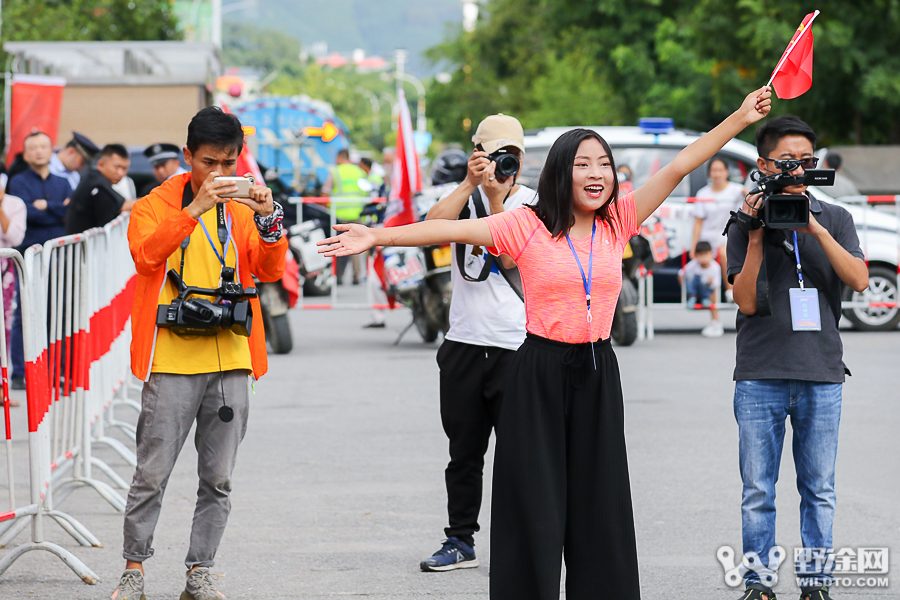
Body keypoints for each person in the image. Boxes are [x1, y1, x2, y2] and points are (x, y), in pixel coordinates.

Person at [320, 87, 772, 600]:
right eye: (583, 164)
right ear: (561, 171)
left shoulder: (619, 219)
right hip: (537, 370)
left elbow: (680, 165)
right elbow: (444, 229)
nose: (597, 174)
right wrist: (377, 237)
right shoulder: (526, 224)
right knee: (534, 503)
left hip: (599, 370)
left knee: (599, 502)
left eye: (604, 164)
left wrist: (738, 116)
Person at [111, 106, 287, 600]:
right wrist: (194, 211)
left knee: (219, 478)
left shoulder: (242, 205)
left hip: (231, 355)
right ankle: (134, 570)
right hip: (170, 358)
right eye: (210, 162)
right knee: (152, 473)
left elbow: (269, 270)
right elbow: (146, 258)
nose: (221, 174)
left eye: (230, 163)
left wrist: (269, 218)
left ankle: (200, 572)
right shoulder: (154, 204)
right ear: (188, 156)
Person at [726, 115, 869, 600]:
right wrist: (756, 235)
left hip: (821, 373)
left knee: (819, 490)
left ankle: (816, 584)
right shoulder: (744, 221)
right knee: (758, 492)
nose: (797, 171)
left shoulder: (837, 217)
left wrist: (814, 229)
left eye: (806, 162)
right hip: (760, 373)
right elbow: (745, 301)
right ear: (763, 164)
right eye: (786, 162)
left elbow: (860, 280)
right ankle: (758, 584)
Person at [418, 116, 534, 571]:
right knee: (463, 452)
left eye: (512, 156)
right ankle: (459, 540)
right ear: (478, 156)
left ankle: (522, 543)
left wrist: (496, 200)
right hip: (465, 343)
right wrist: (470, 185)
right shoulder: (461, 198)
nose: (506, 164)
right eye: (494, 155)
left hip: (517, 346)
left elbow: (510, 254)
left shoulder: (534, 204)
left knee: (519, 454)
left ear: (522, 160)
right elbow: (429, 230)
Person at [7, 131, 72, 390]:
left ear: (51, 150)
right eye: (33, 147)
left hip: (58, 255)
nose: (38, 151)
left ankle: (58, 371)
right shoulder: (18, 182)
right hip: (29, 255)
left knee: (58, 312)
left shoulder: (63, 182)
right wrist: (54, 209)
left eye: (43, 146)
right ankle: (21, 373)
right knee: (26, 312)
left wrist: (47, 206)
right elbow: (28, 215)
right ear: (25, 153)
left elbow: (69, 213)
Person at [691, 157, 746, 301]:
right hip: (707, 238)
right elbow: (698, 222)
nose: (717, 174)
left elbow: (750, 199)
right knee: (707, 268)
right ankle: (712, 315)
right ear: (709, 173)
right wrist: (694, 246)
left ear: (726, 172)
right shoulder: (703, 194)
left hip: (728, 236)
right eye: (714, 170)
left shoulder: (736, 189)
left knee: (724, 253)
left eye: (720, 170)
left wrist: (747, 193)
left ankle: (731, 290)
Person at [66, 144, 135, 235]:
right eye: (116, 167)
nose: (120, 173)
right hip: (82, 244)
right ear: (100, 164)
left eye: (124, 168)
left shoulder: (94, 179)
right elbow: (123, 205)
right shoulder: (96, 183)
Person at [323, 149, 369, 284]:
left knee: (339, 246)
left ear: (340, 157)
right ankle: (357, 276)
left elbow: (325, 193)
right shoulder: (359, 172)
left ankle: (338, 277)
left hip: (339, 216)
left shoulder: (335, 172)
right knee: (357, 246)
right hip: (357, 214)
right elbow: (366, 192)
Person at [0, 173, 26, 407]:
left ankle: (1, 386)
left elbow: (14, 237)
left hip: (4, 271)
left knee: (3, 327)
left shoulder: (14, 204)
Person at [678, 240, 723, 337]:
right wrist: (685, 288)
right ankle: (692, 297)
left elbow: (717, 284)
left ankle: (705, 299)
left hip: (707, 289)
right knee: (690, 275)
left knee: (704, 279)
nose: (703, 258)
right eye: (700, 255)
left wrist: (710, 282)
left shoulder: (715, 267)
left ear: (712, 254)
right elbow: (681, 274)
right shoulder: (693, 264)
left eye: (705, 254)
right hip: (694, 289)